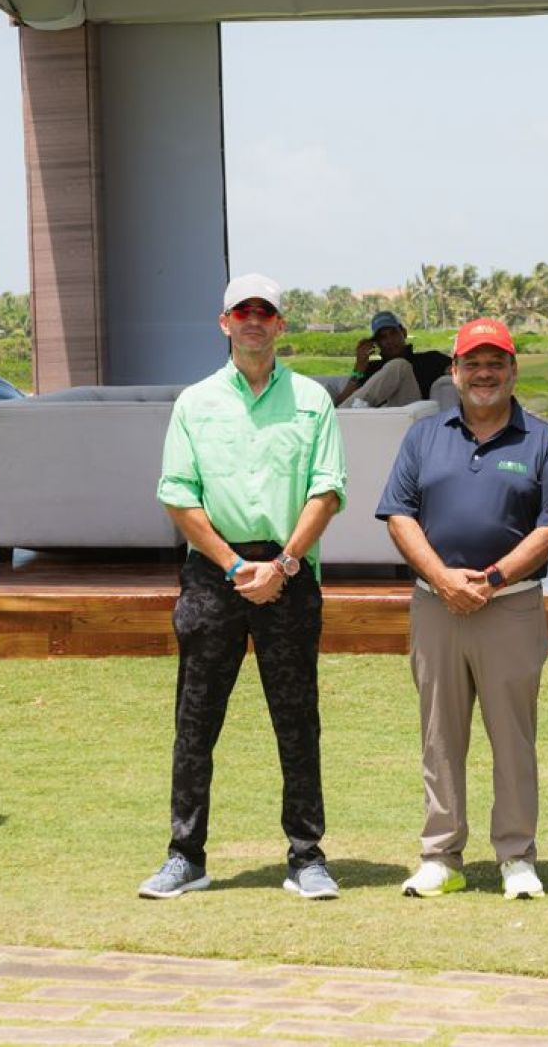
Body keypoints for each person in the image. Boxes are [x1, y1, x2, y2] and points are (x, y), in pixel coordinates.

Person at [142, 273, 347, 902]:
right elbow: (178, 495)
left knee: (297, 721)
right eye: (242, 311)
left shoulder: (313, 400)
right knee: (196, 721)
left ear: (281, 324)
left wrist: (282, 564)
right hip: (214, 574)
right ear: (224, 323)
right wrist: (234, 567)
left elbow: (327, 489)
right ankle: (186, 856)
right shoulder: (194, 403)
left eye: (265, 311)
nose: (253, 320)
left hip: (288, 573)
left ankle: (307, 857)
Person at [376, 318, 548, 901]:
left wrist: (491, 577)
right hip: (436, 606)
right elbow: (400, 514)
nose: (484, 374)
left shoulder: (544, 440)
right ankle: (441, 856)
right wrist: (441, 577)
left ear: (513, 370)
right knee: (439, 735)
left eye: (496, 363)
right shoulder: (424, 437)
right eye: (473, 364)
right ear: (454, 373)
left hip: (509, 605)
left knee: (513, 737)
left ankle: (516, 856)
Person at [338, 311, 451, 408]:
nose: (390, 340)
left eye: (393, 333)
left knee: (399, 366)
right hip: (376, 422)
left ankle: (336, 418)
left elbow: (458, 369)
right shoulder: (371, 368)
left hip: (412, 419)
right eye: (383, 337)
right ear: (376, 343)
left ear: (404, 333)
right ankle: (338, 418)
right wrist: (359, 367)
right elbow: (343, 402)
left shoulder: (430, 359)